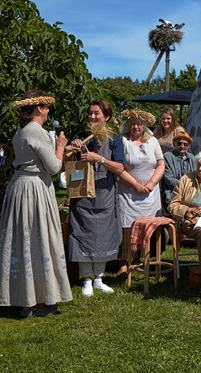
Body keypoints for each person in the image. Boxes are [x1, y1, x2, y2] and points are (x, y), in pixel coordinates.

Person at [0, 90, 72, 317]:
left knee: (24, 240)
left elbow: (37, 158)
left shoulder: (22, 131)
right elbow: (55, 168)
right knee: (38, 238)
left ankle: (25, 298)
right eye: (46, 107)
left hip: (21, 185)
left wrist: (59, 150)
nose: (48, 112)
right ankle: (35, 301)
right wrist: (60, 146)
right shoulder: (36, 131)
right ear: (39, 108)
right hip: (34, 190)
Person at [67, 100, 126, 297]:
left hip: (105, 194)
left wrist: (98, 158)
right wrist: (71, 148)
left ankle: (99, 278)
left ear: (106, 117)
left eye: (96, 114)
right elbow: (64, 162)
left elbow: (119, 168)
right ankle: (86, 280)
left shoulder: (115, 140)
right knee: (83, 233)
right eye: (90, 113)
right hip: (83, 196)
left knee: (103, 234)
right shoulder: (81, 137)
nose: (92, 117)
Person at [117, 109, 165, 276]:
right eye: (133, 124)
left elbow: (160, 164)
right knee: (127, 226)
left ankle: (140, 259)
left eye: (139, 123)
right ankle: (124, 262)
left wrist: (152, 183)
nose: (136, 127)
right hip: (128, 191)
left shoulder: (152, 141)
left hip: (150, 192)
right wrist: (135, 184)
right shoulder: (122, 141)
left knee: (147, 225)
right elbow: (119, 168)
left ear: (144, 125)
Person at [162, 130, 197, 208]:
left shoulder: (192, 158)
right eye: (179, 143)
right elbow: (169, 179)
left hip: (190, 192)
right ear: (174, 144)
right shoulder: (167, 156)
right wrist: (185, 187)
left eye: (185, 144)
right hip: (173, 192)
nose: (182, 146)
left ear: (188, 146)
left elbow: (195, 176)